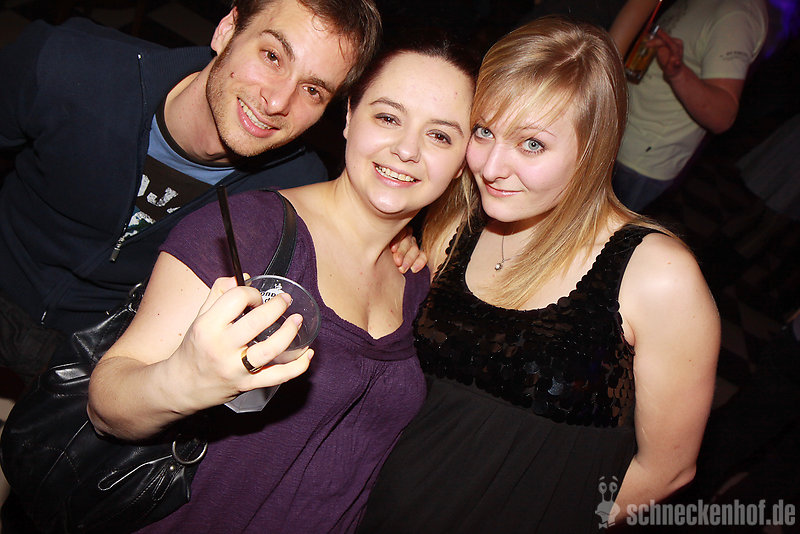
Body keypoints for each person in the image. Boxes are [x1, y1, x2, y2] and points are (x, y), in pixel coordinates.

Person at [85, 33, 477, 533]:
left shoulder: (419, 280)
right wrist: (183, 380)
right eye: (388, 117)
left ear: (463, 161)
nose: (406, 150)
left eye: (440, 136)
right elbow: (107, 403)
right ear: (350, 116)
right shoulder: (247, 231)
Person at [359, 16, 720, 533]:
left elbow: (667, 469)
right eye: (484, 132)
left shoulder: (656, 275)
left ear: (593, 147)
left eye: (532, 144)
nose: (492, 167)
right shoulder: (454, 227)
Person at [0, 0, 388, 383]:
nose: (277, 102)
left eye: (313, 90)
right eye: (272, 56)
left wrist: (393, 242)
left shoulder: (296, 190)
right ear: (227, 31)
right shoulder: (72, 64)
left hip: (102, 356)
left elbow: (350, 243)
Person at [613, 0, 768, 211]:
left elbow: (722, 116)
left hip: (639, 161)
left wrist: (677, 73)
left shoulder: (738, 13)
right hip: (617, 136)